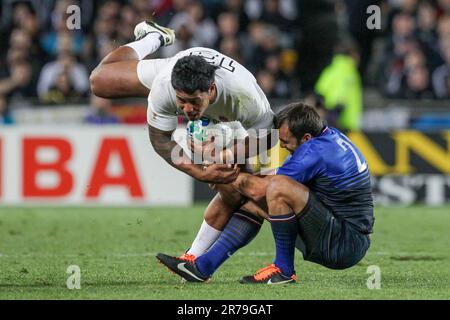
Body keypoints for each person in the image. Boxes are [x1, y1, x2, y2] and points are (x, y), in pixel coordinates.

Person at [90, 21, 278, 265]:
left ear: (210, 91)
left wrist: (225, 157)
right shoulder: (165, 86)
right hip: (177, 66)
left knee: (242, 189)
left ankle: (194, 258)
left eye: (193, 101)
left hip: (241, 126)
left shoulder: (244, 97)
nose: (186, 109)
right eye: (181, 101)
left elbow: (269, 136)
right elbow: (160, 139)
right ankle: (154, 37)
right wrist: (199, 171)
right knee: (100, 81)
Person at [157, 102, 374, 284]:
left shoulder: (314, 151)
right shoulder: (328, 138)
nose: (284, 146)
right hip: (342, 232)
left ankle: (284, 271)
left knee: (276, 188)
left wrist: (226, 174)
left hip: (344, 243)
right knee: (255, 200)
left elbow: (268, 188)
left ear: (306, 137)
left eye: (286, 141)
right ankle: (202, 267)